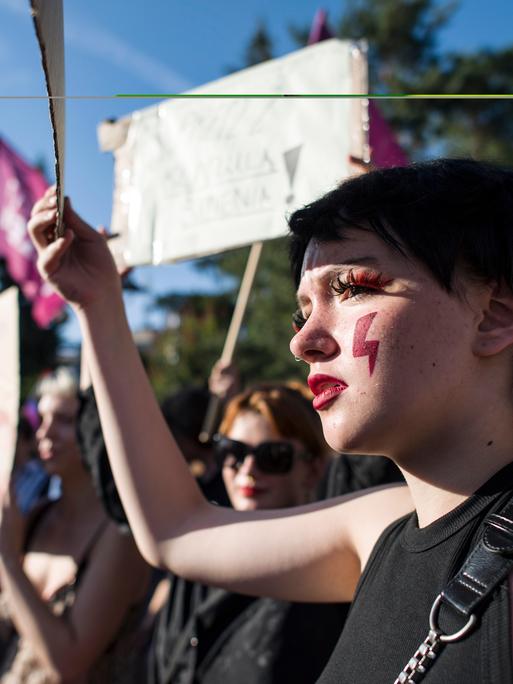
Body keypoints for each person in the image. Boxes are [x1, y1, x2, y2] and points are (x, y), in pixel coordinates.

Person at [27, 158, 513, 682]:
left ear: (492, 316)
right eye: (303, 312)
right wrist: (99, 304)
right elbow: (175, 529)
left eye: (352, 287)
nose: (301, 342)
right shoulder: (378, 532)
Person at [149, 383, 346, 683]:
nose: (249, 469)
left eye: (273, 456)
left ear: (314, 468)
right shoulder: (195, 553)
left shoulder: (331, 574)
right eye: (233, 452)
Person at [0, 368, 150, 682]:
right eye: (41, 419)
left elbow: (68, 662)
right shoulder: (37, 516)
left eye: (65, 421)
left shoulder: (120, 536)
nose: (45, 433)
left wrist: (10, 561)